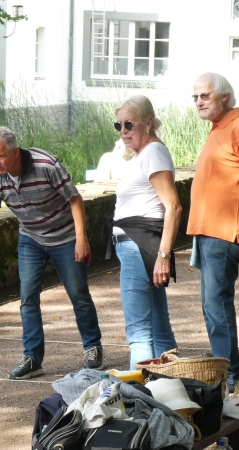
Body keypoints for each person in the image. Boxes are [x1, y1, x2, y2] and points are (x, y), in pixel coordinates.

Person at [0, 126, 104, 379]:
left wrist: (81, 239)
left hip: (65, 236)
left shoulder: (46, 165)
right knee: (27, 297)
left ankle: (93, 347)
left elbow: (75, 200)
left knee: (78, 293)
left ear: (15, 152)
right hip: (31, 238)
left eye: (0, 156)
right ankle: (33, 358)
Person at [186, 73, 239, 393]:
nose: (199, 102)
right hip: (208, 231)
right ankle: (225, 370)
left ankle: (229, 375)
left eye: (205, 96)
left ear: (225, 97)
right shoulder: (218, 128)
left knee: (216, 304)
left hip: (226, 233)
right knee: (211, 305)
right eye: (195, 97)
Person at [103, 95, 182, 369]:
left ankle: (141, 392)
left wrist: (164, 255)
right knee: (158, 327)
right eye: (118, 125)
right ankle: (173, 386)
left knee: (139, 334)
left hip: (139, 246)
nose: (123, 131)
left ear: (148, 123)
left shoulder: (153, 153)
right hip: (140, 246)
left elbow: (174, 207)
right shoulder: (146, 154)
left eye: (129, 124)